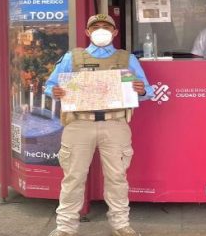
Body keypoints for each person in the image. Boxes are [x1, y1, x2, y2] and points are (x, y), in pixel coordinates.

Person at [45, 14, 154, 236]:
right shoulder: (72, 58)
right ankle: (65, 227)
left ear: (114, 33)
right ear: (87, 32)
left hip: (115, 123)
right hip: (78, 125)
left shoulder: (127, 59)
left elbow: (147, 90)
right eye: (95, 26)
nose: (101, 30)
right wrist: (54, 92)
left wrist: (141, 90)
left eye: (106, 26)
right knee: (73, 177)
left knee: (117, 177)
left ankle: (121, 224)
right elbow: (50, 85)